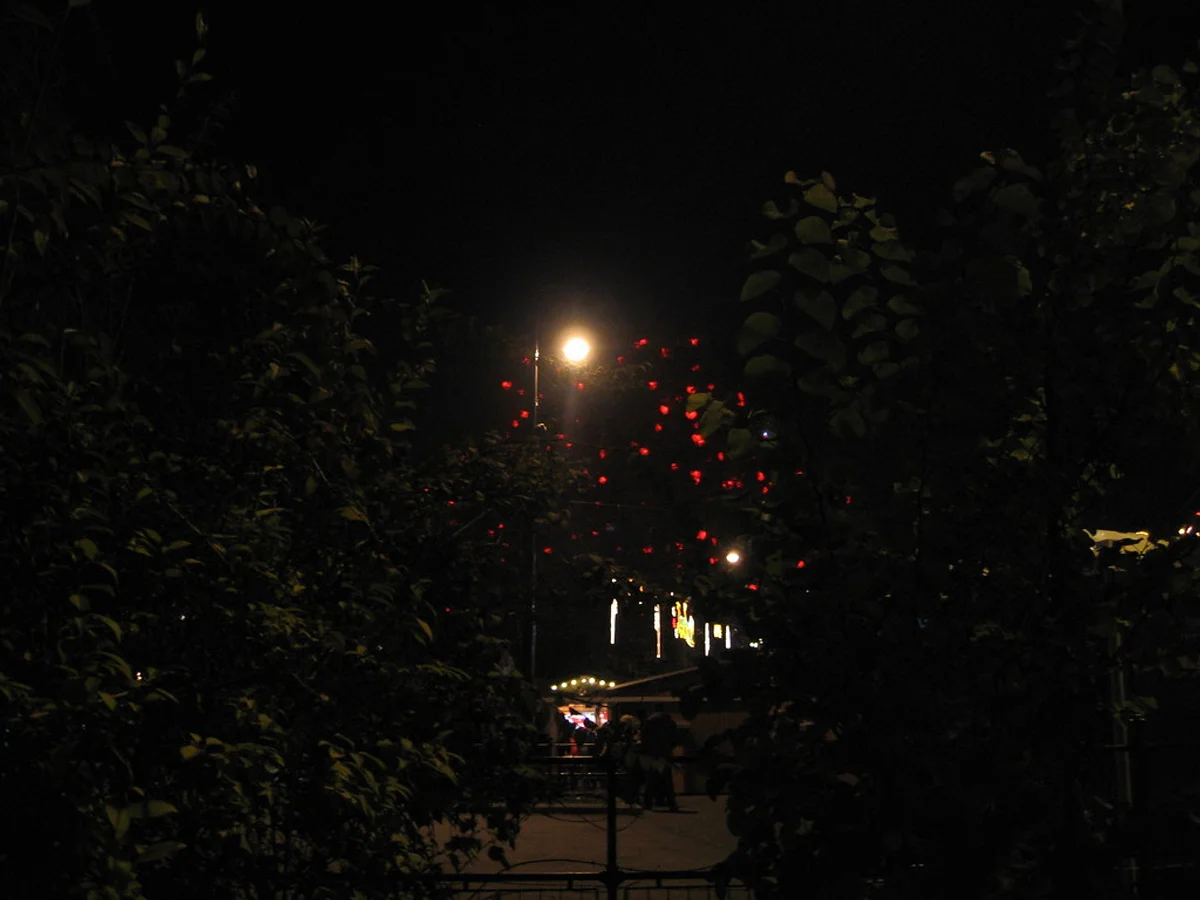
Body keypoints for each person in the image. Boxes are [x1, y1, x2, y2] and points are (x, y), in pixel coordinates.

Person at [639, 705, 679, 811]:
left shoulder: (649, 722)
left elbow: (644, 738)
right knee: (667, 780)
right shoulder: (669, 722)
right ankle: (671, 802)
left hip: (652, 754)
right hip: (665, 753)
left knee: (651, 779)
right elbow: (674, 738)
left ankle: (648, 803)